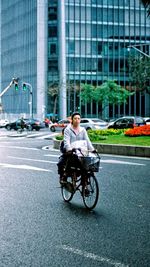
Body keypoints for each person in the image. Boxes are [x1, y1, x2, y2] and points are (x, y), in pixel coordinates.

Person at [58, 112, 95, 184]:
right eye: (75, 118)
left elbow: (87, 141)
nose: (77, 120)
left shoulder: (83, 130)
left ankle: (84, 181)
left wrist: (92, 149)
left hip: (81, 151)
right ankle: (63, 177)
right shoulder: (68, 129)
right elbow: (66, 141)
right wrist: (69, 149)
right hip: (71, 151)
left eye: (78, 118)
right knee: (61, 163)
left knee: (86, 164)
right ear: (72, 120)